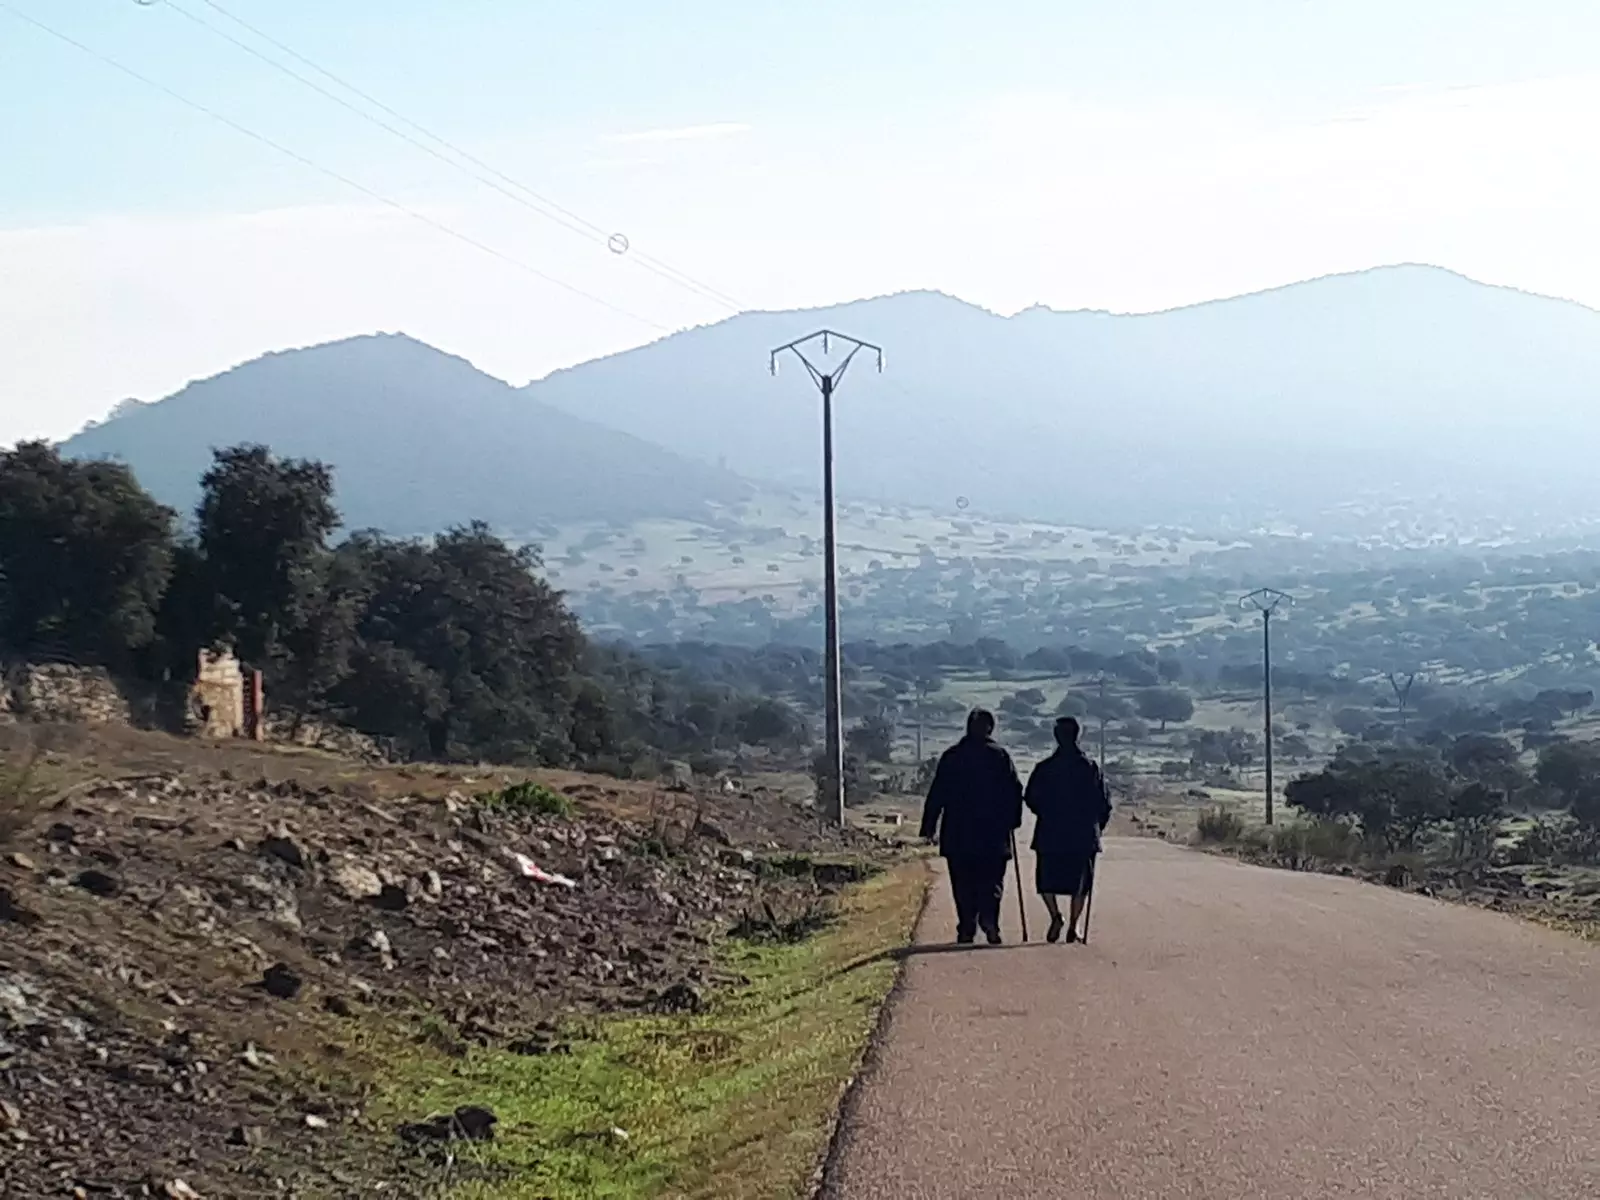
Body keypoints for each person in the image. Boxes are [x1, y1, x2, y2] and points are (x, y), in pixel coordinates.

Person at [919, 708, 1023, 945]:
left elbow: (937, 794)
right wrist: (1013, 821)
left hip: (959, 833)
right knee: (992, 880)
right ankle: (990, 920)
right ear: (990, 728)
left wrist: (929, 826)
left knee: (963, 882)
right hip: (993, 833)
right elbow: (1014, 792)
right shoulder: (1000, 757)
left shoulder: (952, 756)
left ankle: (967, 926)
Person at [1024, 716, 1112, 944]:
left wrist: (1045, 814)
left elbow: (1030, 798)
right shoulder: (1090, 768)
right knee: (1080, 884)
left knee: (1045, 880)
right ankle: (1074, 925)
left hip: (1050, 833)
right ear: (1077, 735)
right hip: (1082, 836)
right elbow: (1104, 802)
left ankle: (1056, 916)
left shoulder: (1044, 768)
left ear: (1056, 737)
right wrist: (1097, 827)